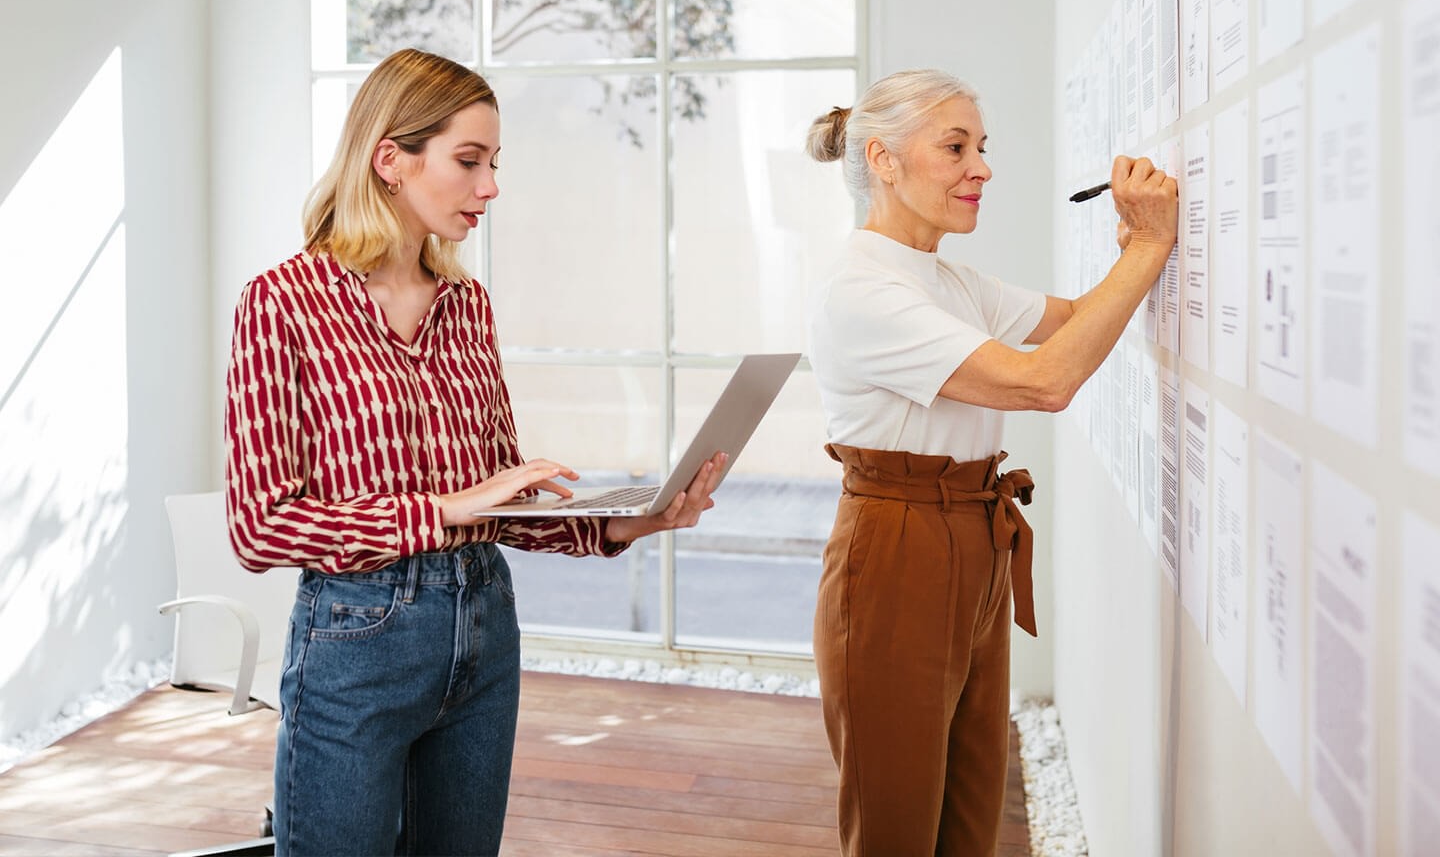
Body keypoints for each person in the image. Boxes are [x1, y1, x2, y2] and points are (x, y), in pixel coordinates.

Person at [224, 48, 725, 857]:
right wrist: (444, 510)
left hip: (485, 622)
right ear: (391, 159)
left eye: (493, 163)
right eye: (469, 161)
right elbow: (260, 529)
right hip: (357, 635)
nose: (490, 185)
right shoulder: (281, 303)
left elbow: (499, 504)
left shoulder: (466, 306)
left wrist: (633, 523)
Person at [803, 69, 1177, 855]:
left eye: (982, 146)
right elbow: (1044, 382)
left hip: (975, 537)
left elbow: (1074, 322)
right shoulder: (862, 289)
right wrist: (1147, 245)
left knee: (969, 812)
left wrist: (1134, 258)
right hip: (898, 547)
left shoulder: (946, 280)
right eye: (956, 146)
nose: (983, 167)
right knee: (897, 826)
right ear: (884, 159)